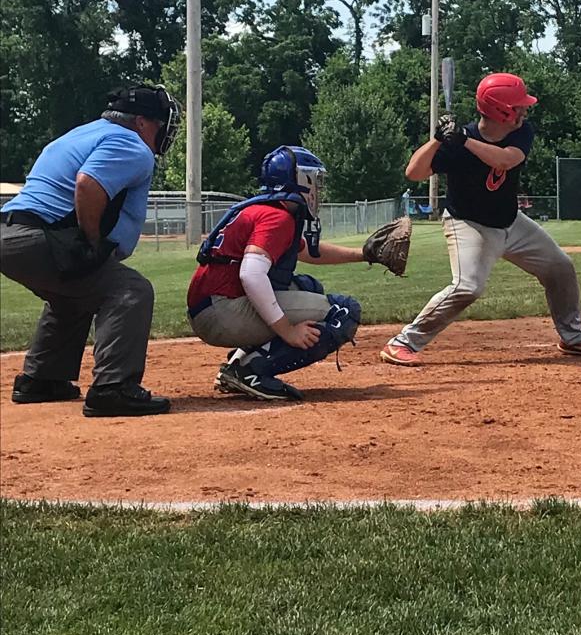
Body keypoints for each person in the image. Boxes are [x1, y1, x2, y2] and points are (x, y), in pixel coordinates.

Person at [379, 72, 581, 367]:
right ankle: (403, 342)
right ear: (501, 110)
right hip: (468, 224)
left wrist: (465, 140)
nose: (524, 110)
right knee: (468, 286)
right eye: (518, 106)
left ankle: (574, 338)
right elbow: (413, 173)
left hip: (510, 221)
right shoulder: (456, 144)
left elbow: (505, 160)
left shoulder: (520, 132)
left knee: (560, 267)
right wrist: (438, 140)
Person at [0, 84, 181, 416]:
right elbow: (88, 183)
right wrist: (91, 240)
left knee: (75, 294)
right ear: (141, 122)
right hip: (40, 236)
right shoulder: (132, 145)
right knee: (130, 289)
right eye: (159, 122)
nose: (165, 131)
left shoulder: (83, 133)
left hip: (12, 233)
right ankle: (113, 388)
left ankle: (41, 379)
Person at [186, 146, 364, 401]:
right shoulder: (277, 217)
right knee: (344, 312)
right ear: (301, 179)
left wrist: (364, 254)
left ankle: (239, 363)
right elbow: (252, 275)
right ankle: (252, 370)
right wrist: (287, 331)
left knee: (308, 287)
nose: (319, 188)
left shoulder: (267, 209)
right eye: (315, 180)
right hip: (221, 312)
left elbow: (306, 251)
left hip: (211, 306)